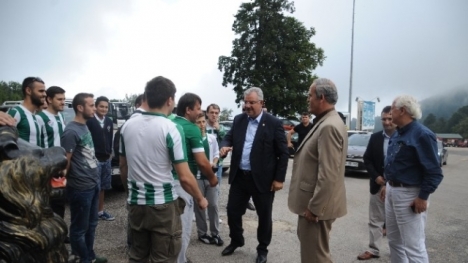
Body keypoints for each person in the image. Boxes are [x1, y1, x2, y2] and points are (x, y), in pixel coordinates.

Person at [119, 77, 208, 263]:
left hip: (136, 205)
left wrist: (131, 195)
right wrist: (200, 198)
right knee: (164, 258)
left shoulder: (127, 126)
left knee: (137, 256)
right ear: (169, 100)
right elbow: (184, 176)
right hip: (163, 206)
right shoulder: (170, 128)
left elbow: (123, 167)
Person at [219, 87, 289, 263]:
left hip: (263, 180)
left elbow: (283, 153)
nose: (247, 106)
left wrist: (279, 179)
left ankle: (262, 249)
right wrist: (225, 145)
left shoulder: (273, 123)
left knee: (264, 216)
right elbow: (228, 137)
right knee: (233, 211)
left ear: (261, 103)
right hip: (240, 177)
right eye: (246, 102)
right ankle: (237, 240)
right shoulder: (239, 120)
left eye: (251, 102)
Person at [287, 78, 348, 263]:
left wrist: (315, 208)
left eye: (310, 95)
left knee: (315, 258)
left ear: (321, 97)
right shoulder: (327, 121)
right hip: (315, 205)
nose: (308, 99)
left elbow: (328, 175)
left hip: (316, 208)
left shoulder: (329, 126)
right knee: (315, 254)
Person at [385, 95, 443, 263]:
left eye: (392, 108)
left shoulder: (423, 135)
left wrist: (423, 197)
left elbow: (434, 171)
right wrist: (386, 185)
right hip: (392, 189)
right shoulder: (398, 134)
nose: (390, 112)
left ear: (402, 110)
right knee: (394, 241)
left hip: (410, 194)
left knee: (413, 246)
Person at [61, 93, 107, 263]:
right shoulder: (71, 131)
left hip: (93, 183)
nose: (95, 108)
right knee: (79, 229)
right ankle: (82, 259)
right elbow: (66, 161)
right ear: (80, 108)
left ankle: (90, 257)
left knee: (92, 224)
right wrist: (63, 183)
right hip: (80, 188)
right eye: (92, 105)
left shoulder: (84, 126)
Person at [173, 93, 218, 263]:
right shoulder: (191, 128)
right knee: (184, 226)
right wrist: (213, 179)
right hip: (183, 181)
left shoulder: (170, 122)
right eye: (198, 108)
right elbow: (202, 162)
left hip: (168, 180)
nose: (200, 113)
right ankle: (181, 259)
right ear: (188, 109)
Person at [357, 106, 396, 260]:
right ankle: (374, 249)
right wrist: (376, 177)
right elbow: (367, 159)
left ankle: (397, 250)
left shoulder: (403, 138)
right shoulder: (375, 138)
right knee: (375, 219)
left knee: (396, 221)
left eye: (390, 119)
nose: (386, 122)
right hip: (377, 185)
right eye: (384, 119)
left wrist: (390, 183)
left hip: (397, 186)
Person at [36, 86, 68, 237]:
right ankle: (46, 236)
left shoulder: (61, 117)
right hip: (46, 167)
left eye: (63, 99)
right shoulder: (40, 117)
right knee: (45, 203)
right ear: (49, 99)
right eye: (59, 99)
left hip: (58, 168)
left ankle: (59, 234)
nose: (63, 102)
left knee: (59, 201)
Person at [193, 113, 224, 246]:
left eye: (203, 122)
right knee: (199, 206)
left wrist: (215, 162)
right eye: (198, 122)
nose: (201, 125)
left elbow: (216, 153)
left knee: (213, 205)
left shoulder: (211, 138)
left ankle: (215, 233)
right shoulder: (192, 138)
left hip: (211, 175)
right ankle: (202, 233)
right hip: (197, 177)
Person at [86, 96, 115, 221]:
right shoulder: (90, 121)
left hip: (106, 159)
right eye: (101, 106)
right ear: (96, 107)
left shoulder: (108, 121)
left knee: (103, 187)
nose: (103, 109)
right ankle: (90, 212)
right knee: (93, 186)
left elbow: (109, 138)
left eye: (106, 107)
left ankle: (100, 211)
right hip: (94, 159)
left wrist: (109, 153)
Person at [8, 77, 46, 147]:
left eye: (44, 91)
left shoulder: (35, 116)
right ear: (28, 91)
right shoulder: (16, 112)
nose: (44, 94)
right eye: (41, 91)